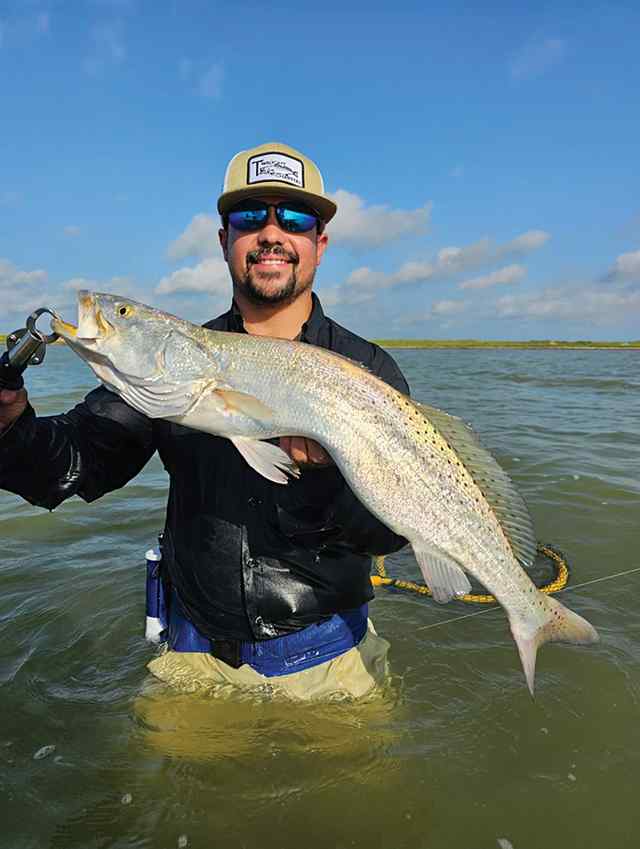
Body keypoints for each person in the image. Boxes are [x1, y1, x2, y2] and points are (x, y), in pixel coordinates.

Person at [0, 142, 410, 700]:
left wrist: (329, 473)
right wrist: (11, 423)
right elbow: (69, 467)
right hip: (193, 660)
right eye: (248, 217)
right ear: (223, 241)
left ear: (320, 242)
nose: (270, 233)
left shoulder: (367, 369)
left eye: (293, 218)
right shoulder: (173, 364)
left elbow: (390, 532)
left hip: (332, 662)